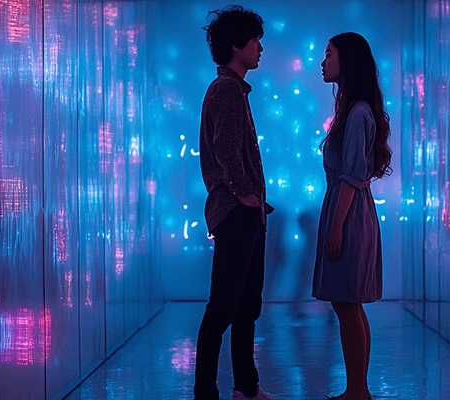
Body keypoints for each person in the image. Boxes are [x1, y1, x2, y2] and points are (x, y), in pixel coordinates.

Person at [194, 5, 275, 400]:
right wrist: (245, 194)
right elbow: (225, 148)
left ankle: (246, 386)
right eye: (255, 39)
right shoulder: (226, 89)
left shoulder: (233, 88)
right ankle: (206, 392)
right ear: (236, 44)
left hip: (247, 213)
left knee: (245, 307)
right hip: (236, 213)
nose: (261, 47)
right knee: (224, 308)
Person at [314, 32, 392, 400]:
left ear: (347, 60)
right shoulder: (355, 110)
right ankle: (357, 390)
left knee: (347, 303)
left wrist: (336, 227)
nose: (323, 62)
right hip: (350, 209)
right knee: (348, 304)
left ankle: (357, 391)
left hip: (349, 213)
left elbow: (351, 175)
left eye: (328, 55)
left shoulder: (358, 113)